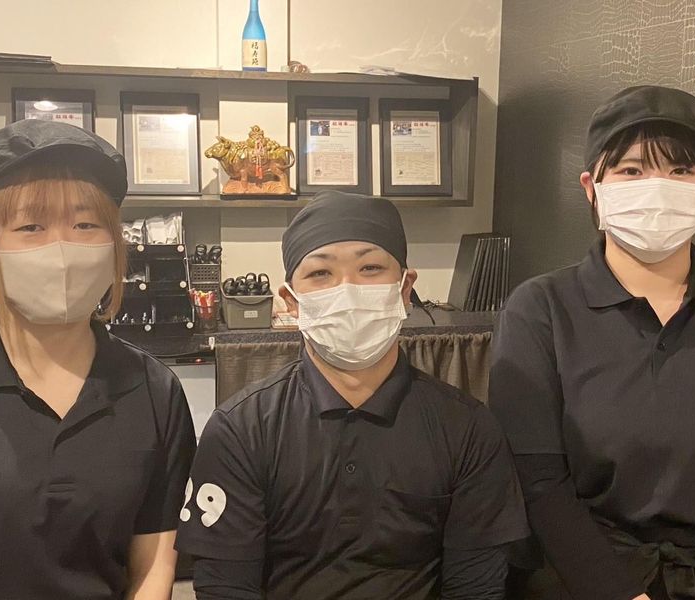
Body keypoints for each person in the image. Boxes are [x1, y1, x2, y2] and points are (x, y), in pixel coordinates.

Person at [176, 190, 529, 599]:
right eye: (321, 274)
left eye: (370, 268)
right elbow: (225, 587)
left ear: (405, 288)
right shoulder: (240, 429)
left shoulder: (468, 429)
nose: (347, 290)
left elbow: (475, 588)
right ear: (291, 301)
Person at [489, 85, 695, 600]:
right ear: (592, 187)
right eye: (631, 171)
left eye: (681, 170)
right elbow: (537, 479)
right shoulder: (539, 308)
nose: (657, 188)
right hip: (578, 577)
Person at [0, 119, 196, 600]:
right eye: (31, 226)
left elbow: (153, 564)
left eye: (85, 225)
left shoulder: (153, 390)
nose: (62, 248)